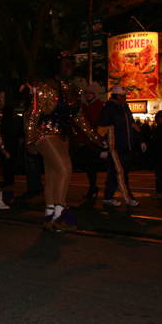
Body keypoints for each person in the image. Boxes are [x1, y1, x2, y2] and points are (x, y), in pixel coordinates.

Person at [26, 52, 107, 231]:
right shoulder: (46, 86)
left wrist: (98, 139)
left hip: (62, 136)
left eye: (71, 65)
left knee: (53, 177)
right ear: (58, 67)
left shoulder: (75, 91)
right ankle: (60, 213)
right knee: (65, 168)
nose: (69, 68)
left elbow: (81, 121)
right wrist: (29, 139)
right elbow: (32, 114)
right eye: (65, 65)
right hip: (44, 132)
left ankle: (49, 214)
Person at [98, 85, 147, 207]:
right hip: (115, 146)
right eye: (122, 95)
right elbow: (102, 130)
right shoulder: (109, 109)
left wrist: (141, 140)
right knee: (121, 172)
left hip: (124, 146)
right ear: (115, 96)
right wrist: (102, 147)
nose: (125, 98)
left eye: (125, 95)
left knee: (114, 172)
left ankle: (108, 197)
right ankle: (128, 199)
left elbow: (133, 127)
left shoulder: (125, 108)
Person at [76, 84, 105, 199]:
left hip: (92, 139)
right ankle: (92, 187)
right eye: (87, 93)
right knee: (89, 165)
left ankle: (93, 187)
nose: (88, 95)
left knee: (91, 164)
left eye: (90, 93)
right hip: (84, 138)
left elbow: (96, 122)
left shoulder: (98, 106)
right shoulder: (83, 105)